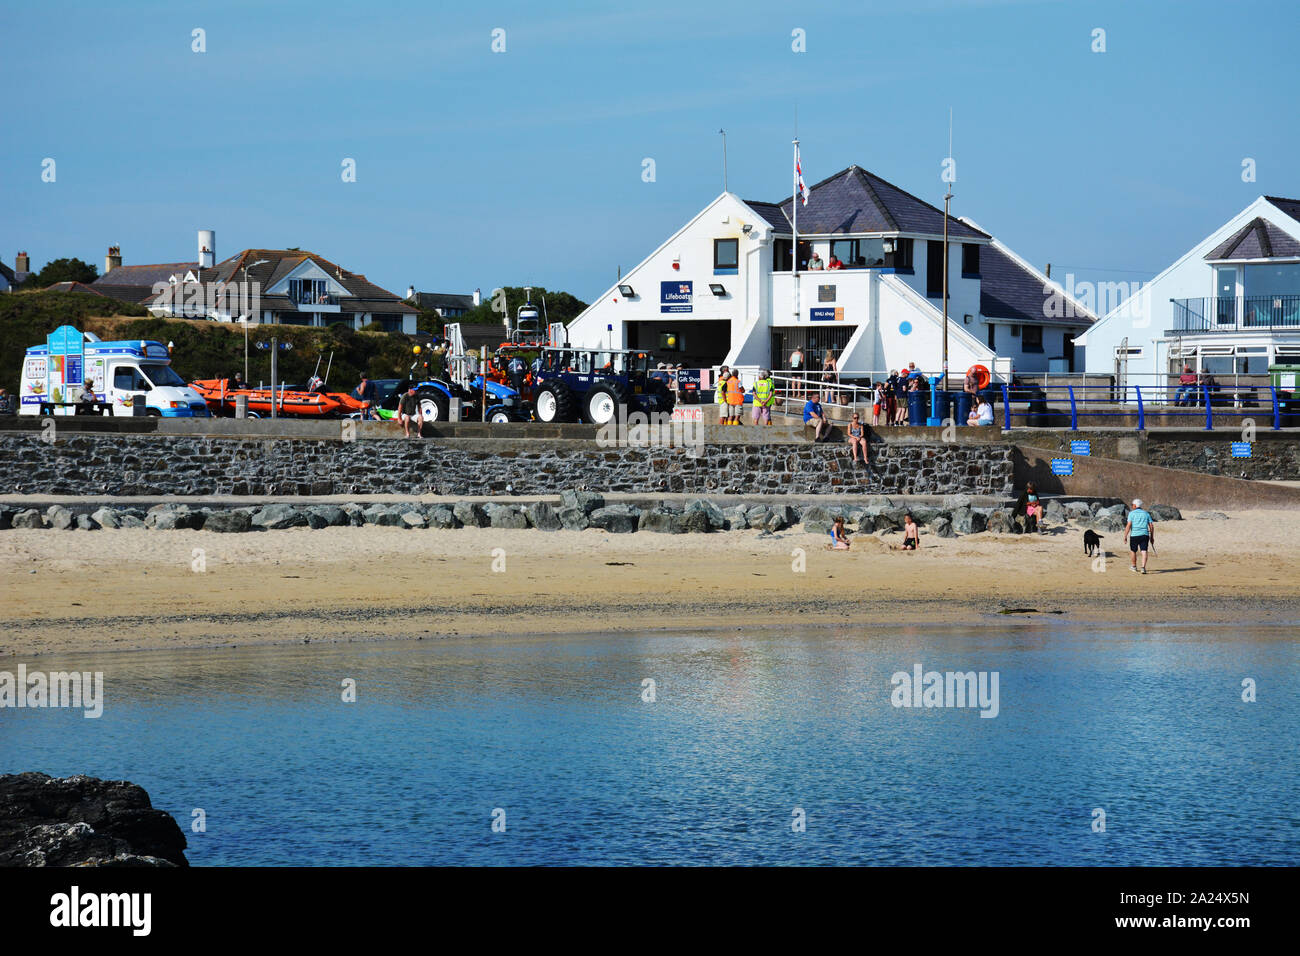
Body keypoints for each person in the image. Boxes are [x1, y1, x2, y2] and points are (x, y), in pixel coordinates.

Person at [1124, 498, 1155, 574]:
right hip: (1144, 535)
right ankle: (1143, 568)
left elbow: (1128, 525)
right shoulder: (1146, 513)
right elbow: (1151, 526)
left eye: (1132, 505)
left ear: (1135, 505)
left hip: (1134, 535)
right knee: (1144, 551)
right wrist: (1152, 537)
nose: (1132, 506)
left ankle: (1134, 566)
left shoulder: (1131, 514)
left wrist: (1125, 536)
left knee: (1133, 551)